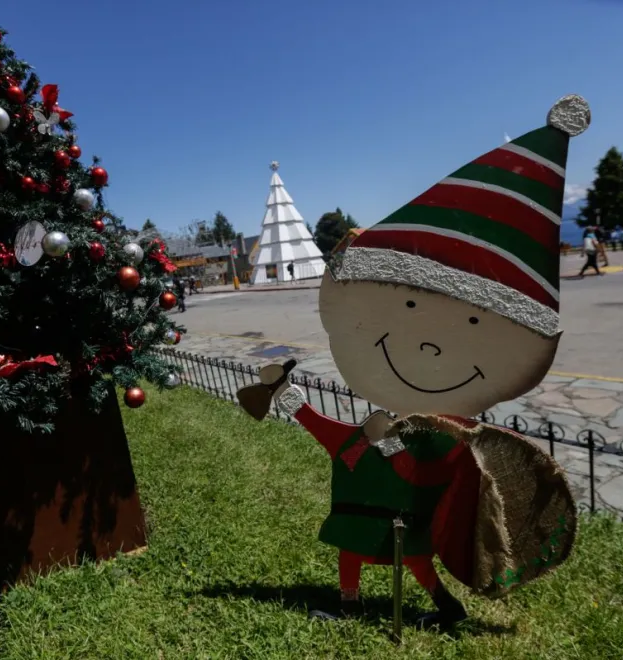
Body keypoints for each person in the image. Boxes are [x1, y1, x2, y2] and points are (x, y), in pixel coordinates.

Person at [239, 95, 587, 628]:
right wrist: (287, 398)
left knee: (419, 564)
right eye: (406, 307)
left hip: (405, 518)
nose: (429, 348)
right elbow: (331, 435)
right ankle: (351, 604)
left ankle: (446, 608)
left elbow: (433, 476)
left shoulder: (444, 436)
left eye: (473, 323)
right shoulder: (373, 430)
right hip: (360, 515)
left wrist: (390, 443)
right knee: (352, 555)